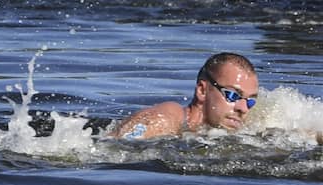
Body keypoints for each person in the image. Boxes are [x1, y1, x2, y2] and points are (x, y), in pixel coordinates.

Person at [110, 52, 259, 139]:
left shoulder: (238, 131)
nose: (243, 108)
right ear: (202, 90)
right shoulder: (165, 119)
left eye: (250, 101)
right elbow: (112, 148)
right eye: (232, 95)